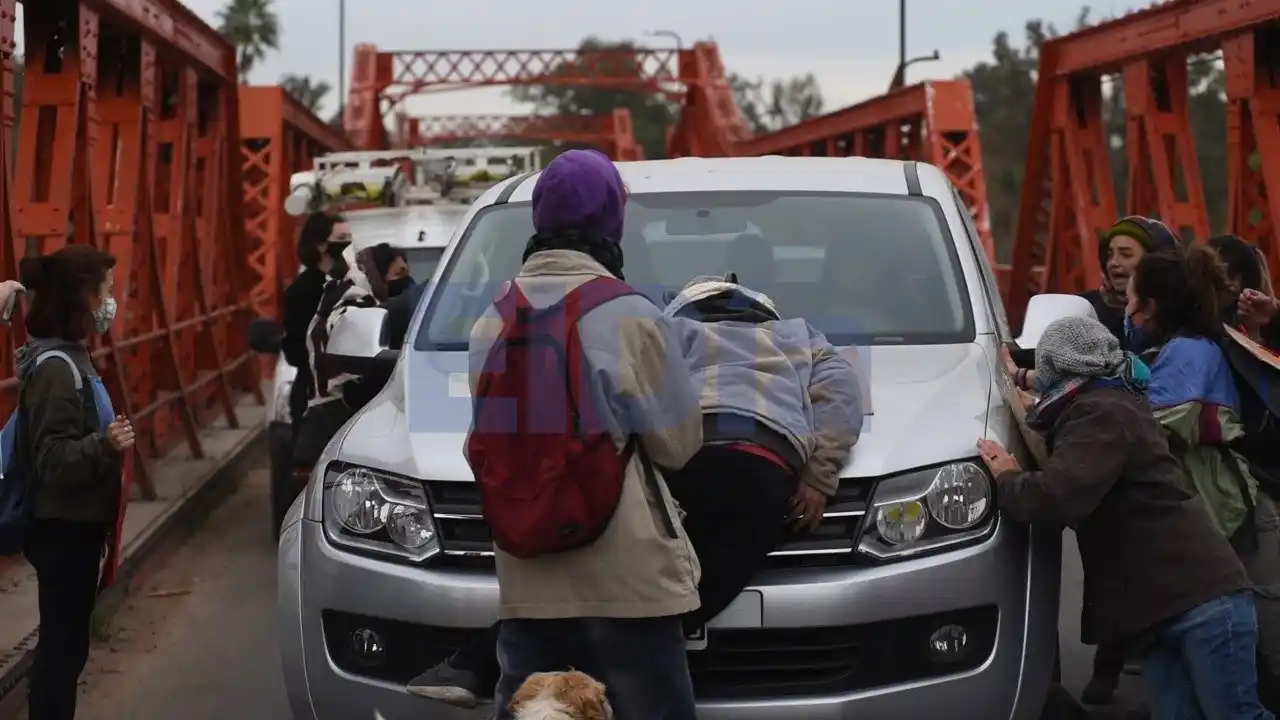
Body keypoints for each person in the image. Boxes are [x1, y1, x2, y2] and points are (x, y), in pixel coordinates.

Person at [466, 149, 704, 719]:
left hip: (527, 577)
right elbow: (679, 445)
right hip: (628, 584)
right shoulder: (631, 315)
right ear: (611, 220)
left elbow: (498, 449)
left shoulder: (492, 320)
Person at [977, 315, 1270, 719]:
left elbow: (1056, 497)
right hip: (1170, 607)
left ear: (1057, 372)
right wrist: (1022, 376)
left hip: (1199, 605)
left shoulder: (1100, 415)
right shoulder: (1113, 397)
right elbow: (1057, 410)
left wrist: (1008, 477)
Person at [661, 274, 862, 638]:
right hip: (763, 459)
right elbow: (843, 392)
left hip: (685, 457)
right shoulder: (797, 334)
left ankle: (653, 647)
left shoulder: (667, 331)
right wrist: (818, 475)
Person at [1124, 244, 1280, 706]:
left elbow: (1152, 428)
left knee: (1264, 668)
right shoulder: (1195, 348)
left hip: (1245, 524)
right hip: (1238, 520)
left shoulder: (1186, 354)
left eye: (1132, 303)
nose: (1126, 314)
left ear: (1151, 307)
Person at [17, 246, 135, 720]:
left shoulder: (71, 358)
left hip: (76, 527)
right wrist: (104, 445)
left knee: (67, 648)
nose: (111, 299)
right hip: (62, 529)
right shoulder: (56, 368)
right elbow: (51, 458)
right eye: (105, 289)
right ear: (82, 297)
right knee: (60, 651)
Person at [292, 241, 413, 470]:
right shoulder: (353, 304)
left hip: (332, 427)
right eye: (399, 274)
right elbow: (358, 353)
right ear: (374, 272)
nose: (406, 282)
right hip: (335, 432)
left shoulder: (338, 297)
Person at [280, 212, 350, 443]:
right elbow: (296, 349)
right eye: (342, 237)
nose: (348, 243)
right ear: (321, 245)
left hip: (347, 392)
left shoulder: (351, 284)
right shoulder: (302, 292)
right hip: (316, 398)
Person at [1078, 215, 1179, 346]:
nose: (1113, 263)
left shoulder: (1181, 313)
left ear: (1155, 263)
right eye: (1109, 255)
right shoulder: (1083, 308)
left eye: (1126, 255)